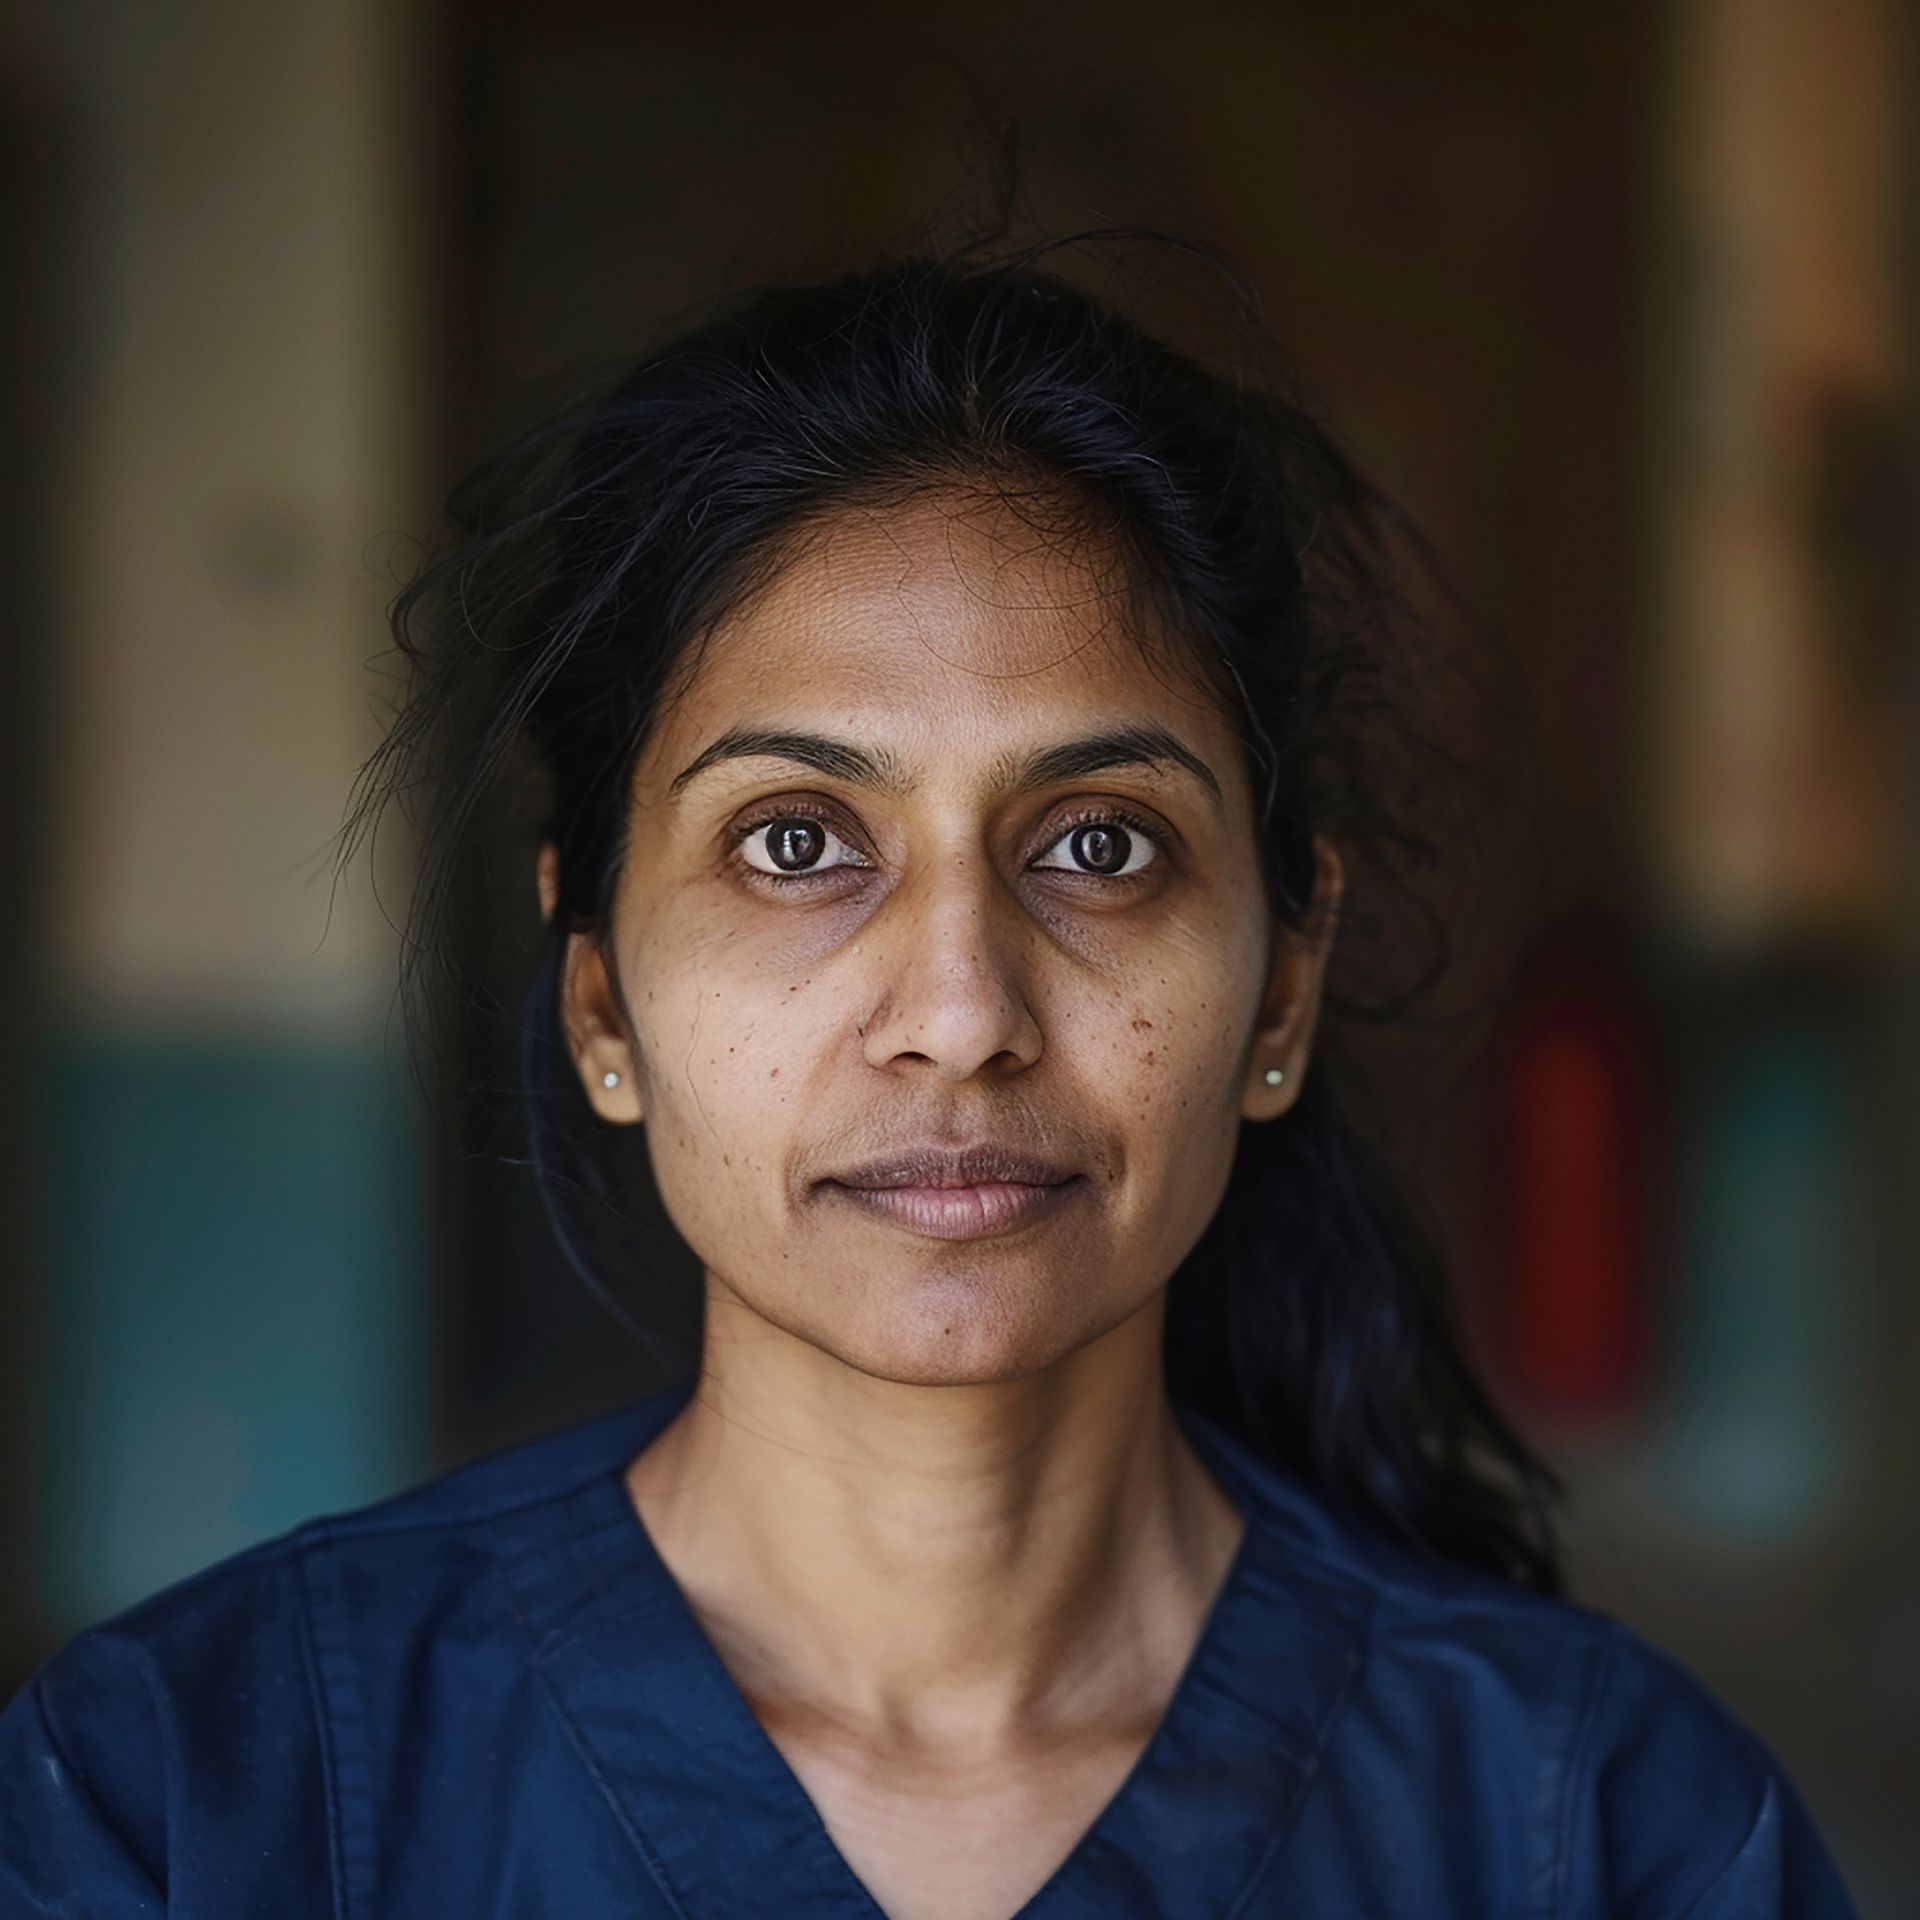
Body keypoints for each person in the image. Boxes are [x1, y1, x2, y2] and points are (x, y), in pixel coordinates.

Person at [0, 237, 1859, 1919]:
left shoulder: (1607, 1837)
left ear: (1285, 979)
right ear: (600, 1004)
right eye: (799, 843)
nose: (961, 1009)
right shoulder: (190, 1808)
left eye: (1103, 846)